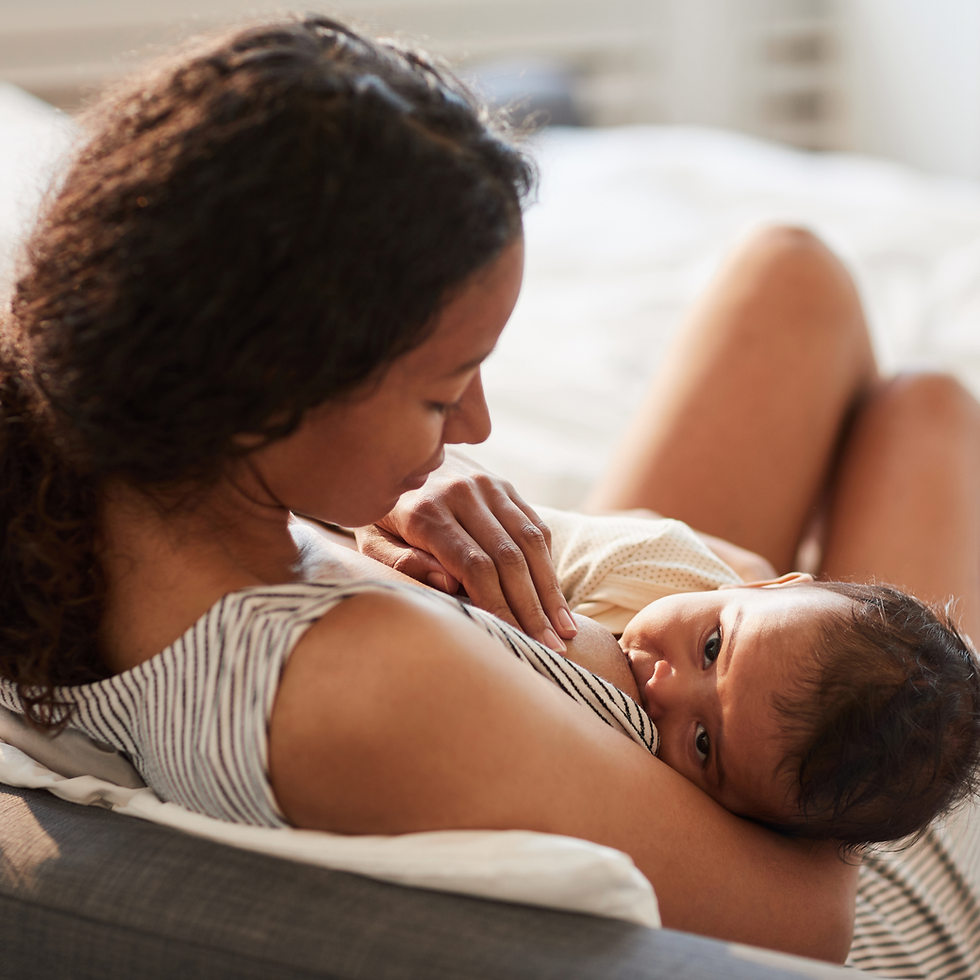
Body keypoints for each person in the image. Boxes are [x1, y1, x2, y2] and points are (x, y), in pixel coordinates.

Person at [0, 14, 974, 974]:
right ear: (276, 385)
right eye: (440, 389)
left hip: (646, 685)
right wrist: (781, 641)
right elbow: (811, 921)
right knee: (931, 418)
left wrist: (367, 505)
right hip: (881, 861)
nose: (473, 427)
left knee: (792, 275)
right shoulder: (358, 682)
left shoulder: (100, 465)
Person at [506, 504, 980, 848]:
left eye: (703, 743)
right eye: (711, 648)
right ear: (763, 583)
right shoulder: (651, 559)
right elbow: (510, 539)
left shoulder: (710, 816)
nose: (661, 689)